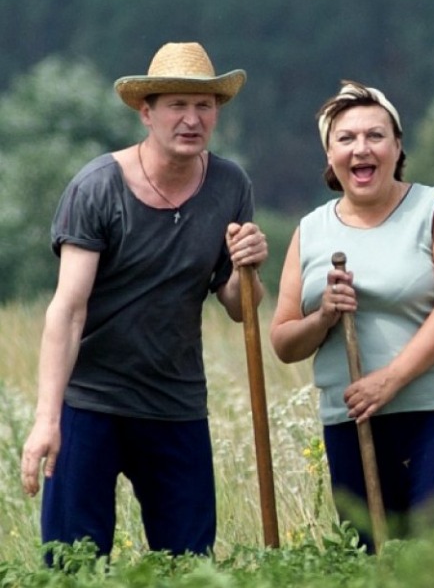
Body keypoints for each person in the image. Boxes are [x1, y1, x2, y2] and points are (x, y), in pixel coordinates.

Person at [18, 42, 269, 559]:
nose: (192, 119)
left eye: (204, 106)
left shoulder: (230, 184)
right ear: (146, 112)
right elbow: (67, 309)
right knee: (72, 565)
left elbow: (237, 304)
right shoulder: (97, 187)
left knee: (189, 564)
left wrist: (250, 268)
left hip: (176, 404)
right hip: (91, 401)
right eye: (177, 105)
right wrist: (47, 419)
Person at [269, 80, 434, 552]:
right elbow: (284, 341)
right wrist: (324, 316)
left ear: (397, 146)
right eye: (345, 139)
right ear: (329, 157)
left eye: (375, 135)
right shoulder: (311, 230)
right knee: (368, 557)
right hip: (350, 417)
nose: (360, 149)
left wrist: (389, 380)